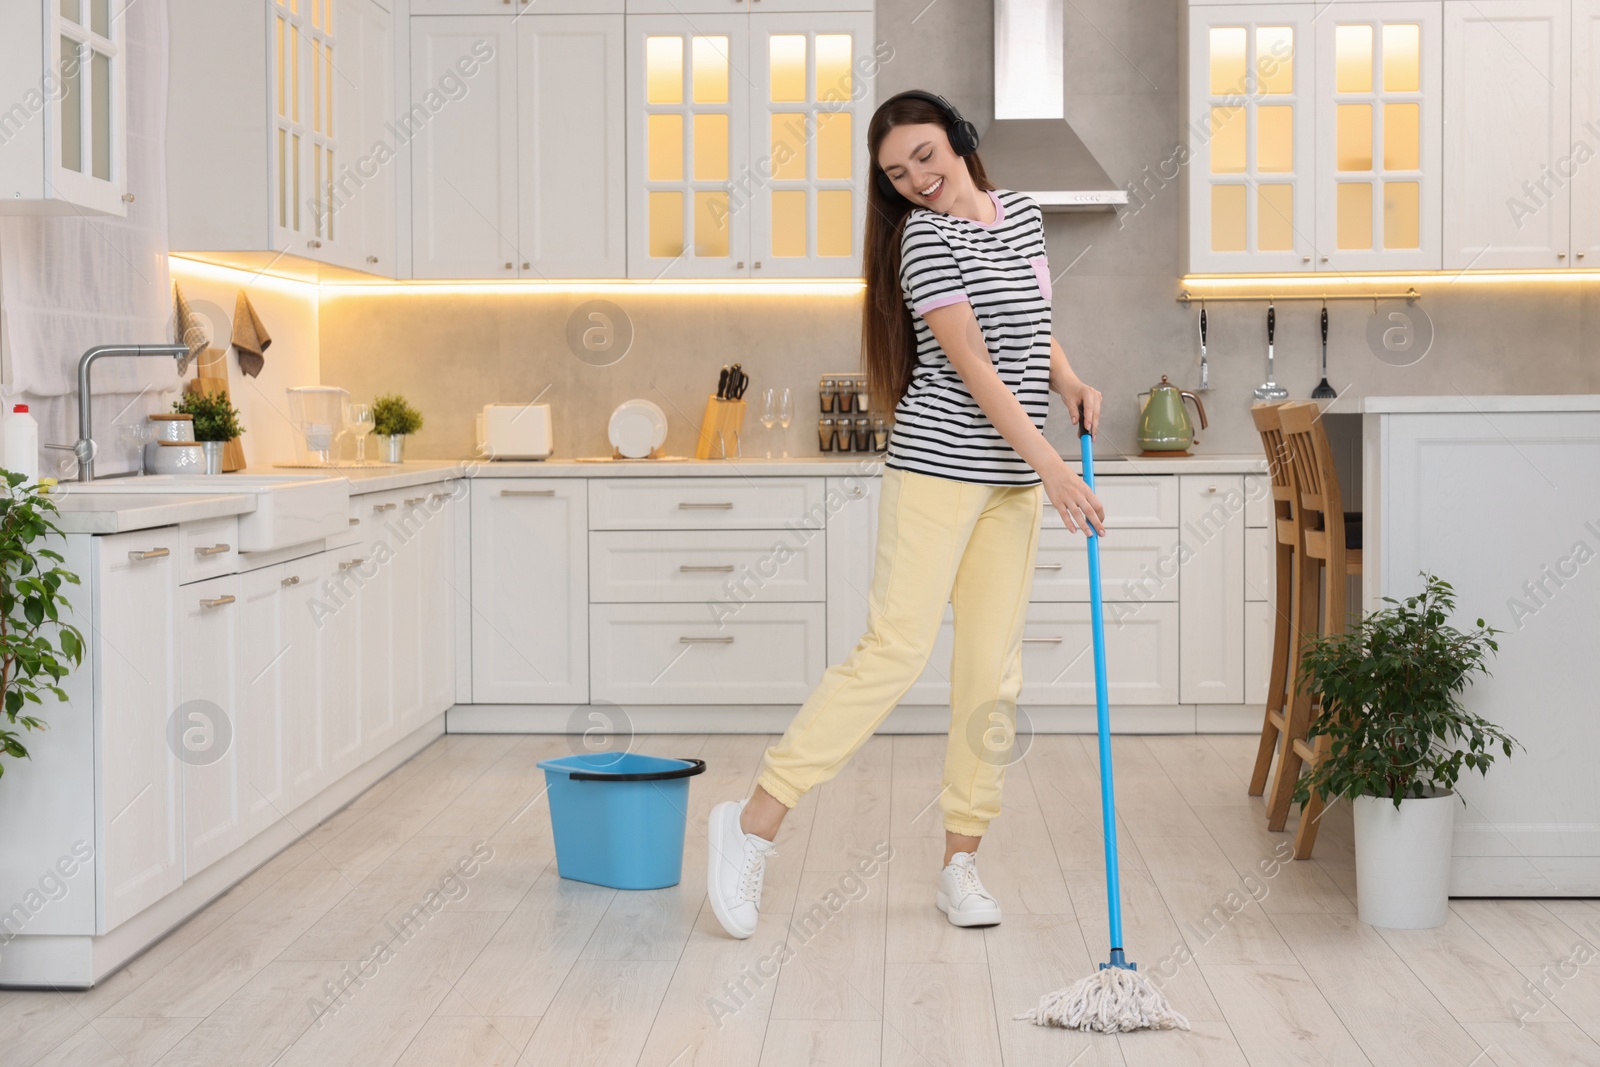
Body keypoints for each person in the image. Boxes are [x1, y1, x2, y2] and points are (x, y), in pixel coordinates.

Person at [706, 90, 1106, 939]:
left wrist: (1067, 380)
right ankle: (750, 825)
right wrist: (1056, 467)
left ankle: (961, 863)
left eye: (925, 155)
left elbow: (1030, 328)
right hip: (937, 471)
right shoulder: (922, 240)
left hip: (1009, 483)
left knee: (990, 678)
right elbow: (971, 366)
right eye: (896, 172)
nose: (917, 179)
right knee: (894, 651)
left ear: (959, 141)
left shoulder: (1023, 215)